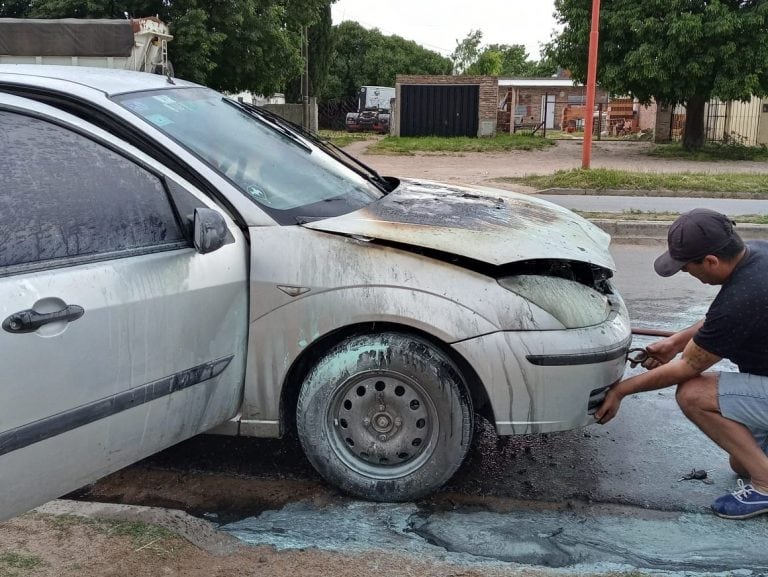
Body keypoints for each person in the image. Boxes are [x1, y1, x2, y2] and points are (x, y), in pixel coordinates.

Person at [595, 208, 768, 520]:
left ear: (711, 261)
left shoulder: (744, 296)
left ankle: (767, 486)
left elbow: (689, 367)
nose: (687, 273)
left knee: (693, 394)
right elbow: (721, 319)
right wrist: (676, 342)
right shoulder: (756, 253)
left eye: (687, 268)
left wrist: (621, 390)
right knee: (741, 463)